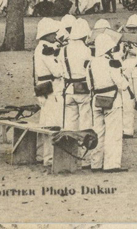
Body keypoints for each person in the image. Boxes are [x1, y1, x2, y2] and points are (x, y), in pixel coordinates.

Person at [89, 33, 128, 172]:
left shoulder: (91, 63)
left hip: (97, 100)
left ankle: (95, 163)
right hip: (112, 100)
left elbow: (89, 85)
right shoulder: (111, 63)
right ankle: (111, 164)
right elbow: (121, 84)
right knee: (113, 133)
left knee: (97, 132)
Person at [32, 18, 64, 167]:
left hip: (43, 87)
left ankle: (41, 154)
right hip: (50, 87)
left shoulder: (42, 47)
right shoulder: (45, 50)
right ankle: (49, 158)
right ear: (47, 34)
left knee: (45, 121)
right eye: (53, 34)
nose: (55, 36)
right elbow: (57, 71)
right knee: (52, 123)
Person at [60, 18, 92, 131]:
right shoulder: (86, 50)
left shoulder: (63, 50)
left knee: (70, 121)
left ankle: (69, 144)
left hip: (68, 88)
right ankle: (84, 145)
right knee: (85, 119)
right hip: (83, 87)